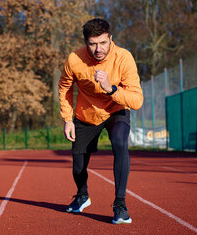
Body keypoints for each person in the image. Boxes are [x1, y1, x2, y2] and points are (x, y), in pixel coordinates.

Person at [58, 18, 143, 224]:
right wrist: (67, 119)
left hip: (116, 110)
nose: (98, 49)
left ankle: (120, 205)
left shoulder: (124, 57)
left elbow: (137, 100)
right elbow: (65, 88)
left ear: (110, 39)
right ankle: (82, 195)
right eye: (93, 43)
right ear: (86, 42)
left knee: (120, 144)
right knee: (78, 166)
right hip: (86, 114)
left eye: (103, 43)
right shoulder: (74, 59)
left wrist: (111, 88)